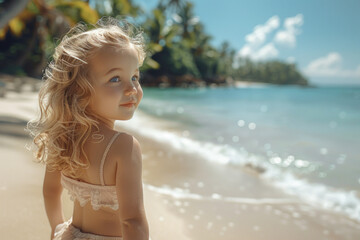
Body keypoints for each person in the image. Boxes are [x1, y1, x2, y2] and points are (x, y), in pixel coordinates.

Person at [26, 16, 150, 240]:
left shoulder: (63, 137)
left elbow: (51, 191)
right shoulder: (123, 146)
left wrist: (56, 229)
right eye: (115, 79)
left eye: (134, 77)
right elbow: (133, 222)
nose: (132, 88)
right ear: (79, 90)